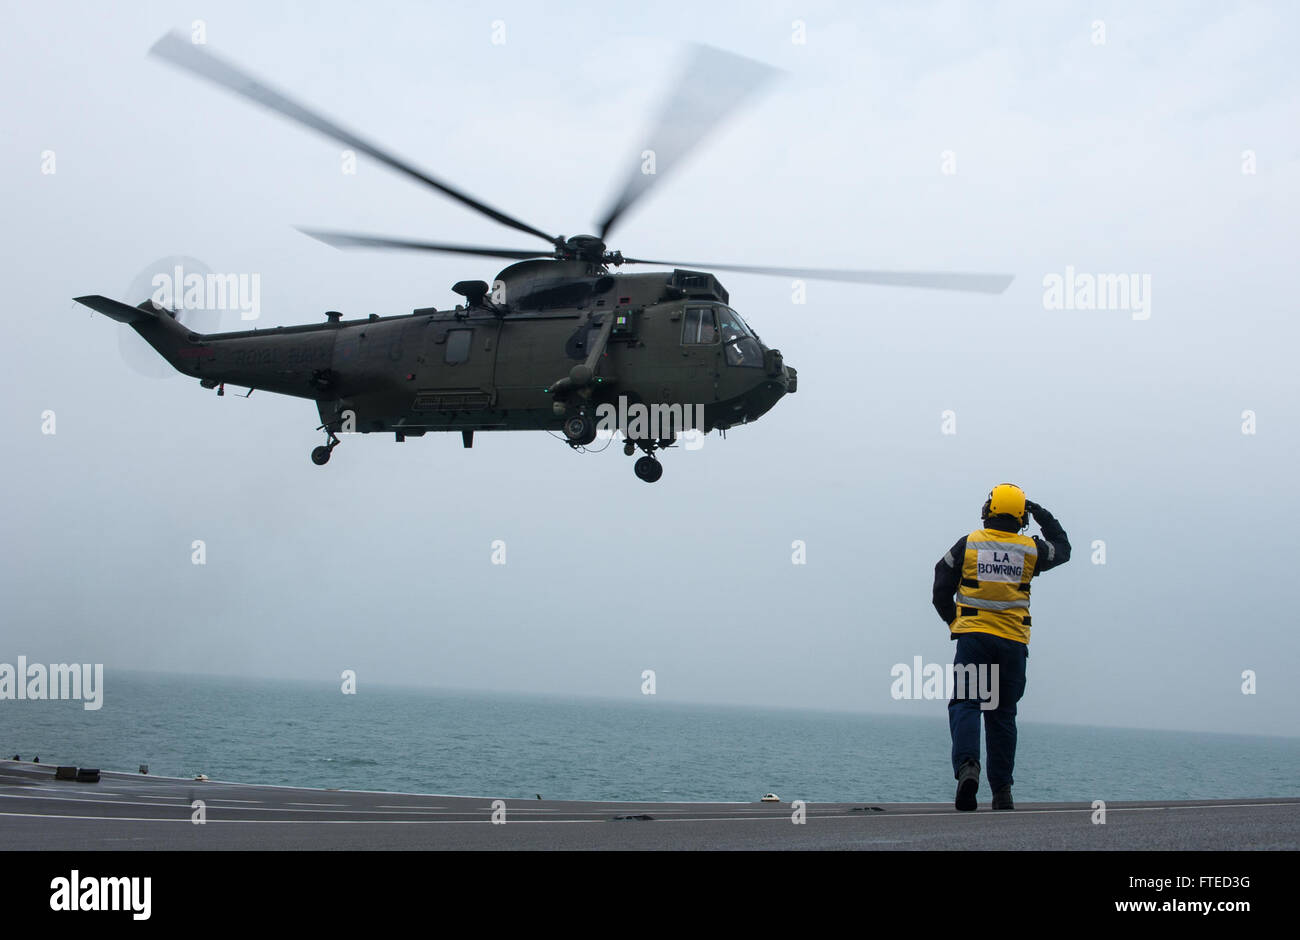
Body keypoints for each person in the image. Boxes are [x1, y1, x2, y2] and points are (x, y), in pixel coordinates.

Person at [932, 484, 1071, 811]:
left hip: (974, 640)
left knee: (967, 704)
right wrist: (1041, 513)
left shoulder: (968, 545)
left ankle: (968, 767)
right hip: (1012, 645)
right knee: (1002, 715)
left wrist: (954, 621)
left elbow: (940, 583)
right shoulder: (1030, 551)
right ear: (1021, 516)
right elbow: (1063, 548)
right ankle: (1002, 791)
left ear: (988, 511)